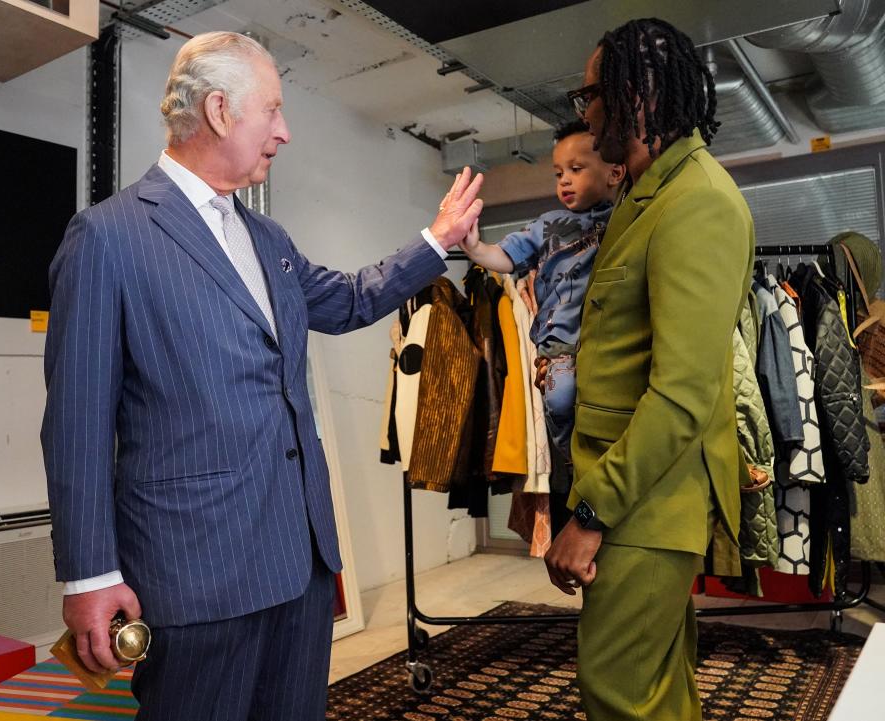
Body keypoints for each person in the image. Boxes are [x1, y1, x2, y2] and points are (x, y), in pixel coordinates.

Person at [40, 31, 482, 721]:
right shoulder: (108, 238)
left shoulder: (269, 240)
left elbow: (349, 298)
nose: (285, 131)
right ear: (220, 111)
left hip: (299, 565)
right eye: (272, 111)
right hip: (193, 575)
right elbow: (76, 423)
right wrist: (91, 573)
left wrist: (437, 242)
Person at [541, 18, 753, 721]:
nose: (585, 112)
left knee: (618, 689)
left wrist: (593, 514)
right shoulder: (648, 191)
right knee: (657, 691)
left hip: (645, 502)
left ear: (638, 93)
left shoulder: (699, 201)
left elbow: (683, 393)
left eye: (591, 94)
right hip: (629, 487)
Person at [459, 121, 625, 458]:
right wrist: (476, 249)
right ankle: (574, 460)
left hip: (605, 342)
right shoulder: (547, 225)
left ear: (615, 173)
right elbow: (506, 255)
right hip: (560, 342)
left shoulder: (626, 221)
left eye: (576, 169)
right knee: (561, 397)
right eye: (558, 172)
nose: (564, 179)